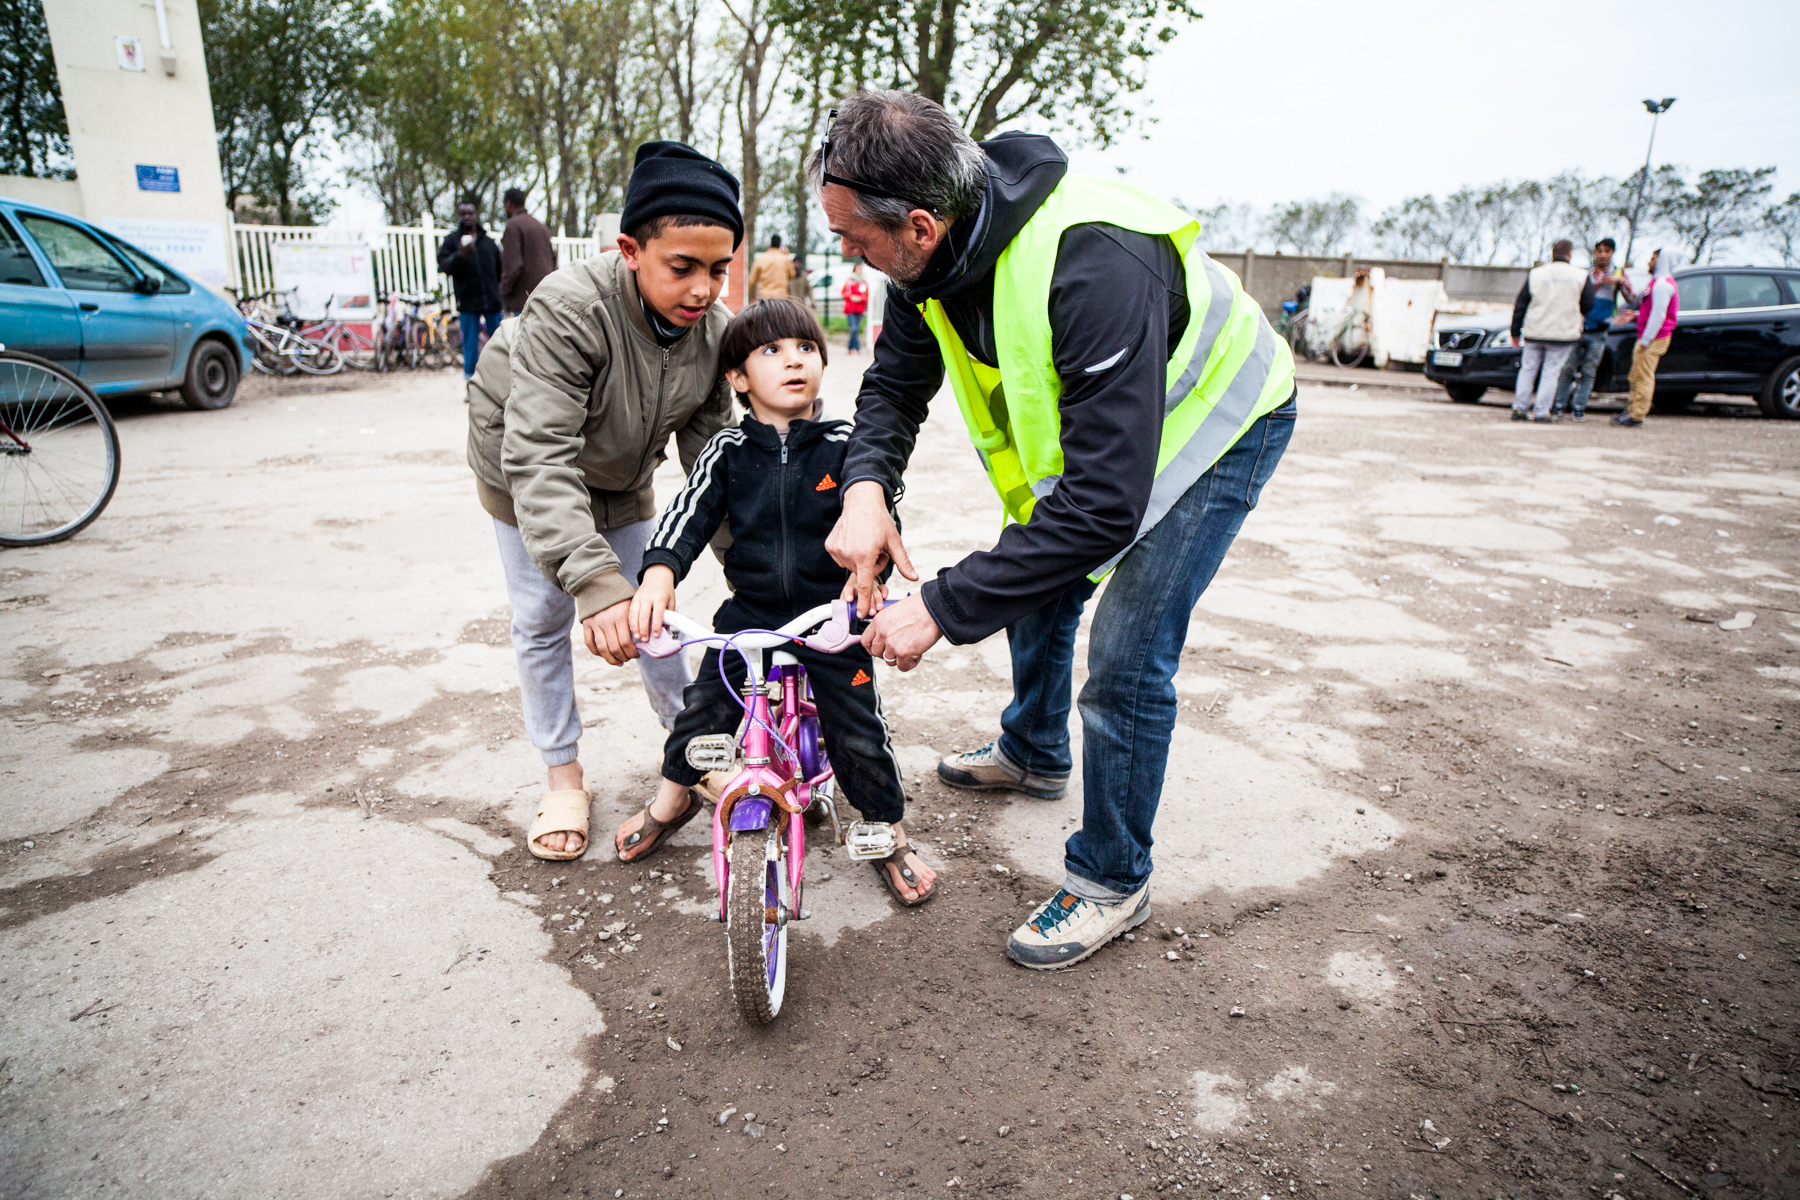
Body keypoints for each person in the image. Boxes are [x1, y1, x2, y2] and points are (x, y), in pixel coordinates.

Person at [809, 90, 1295, 967]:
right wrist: (866, 487)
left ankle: (1113, 875)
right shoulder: (927, 262)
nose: (846, 253)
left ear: (919, 226)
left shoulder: (1095, 261)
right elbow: (891, 385)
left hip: (1220, 420)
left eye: (854, 239)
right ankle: (1034, 750)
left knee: (1126, 657)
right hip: (1105, 448)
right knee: (1033, 568)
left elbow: (1106, 510)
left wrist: (944, 607)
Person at [465, 141, 743, 860]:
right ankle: (563, 777)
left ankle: (689, 753)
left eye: (718, 269)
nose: (703, 289)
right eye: (681, 267)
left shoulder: (713, 332)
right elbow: (539, 455)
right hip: (524, 467)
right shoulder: (569, 307)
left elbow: (716, 462)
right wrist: (593, 585)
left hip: (622, 475)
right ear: (630, 249)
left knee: (653, 614)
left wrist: (762, 567)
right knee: (544, 618)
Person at [614, 299, 935, 904]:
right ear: (737, 378)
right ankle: (674, 797)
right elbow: (686, 517)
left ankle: (885, 831)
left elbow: (878, 521)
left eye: (806, 348)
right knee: (703, 708)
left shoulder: (845, 446)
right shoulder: (726, 451)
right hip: (753, 613)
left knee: (857, 729)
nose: (794, 360)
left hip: (831, 614)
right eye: (771, 351)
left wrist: (874, 577)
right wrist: (658, 574)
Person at [1508, 238, 1595, 423]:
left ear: (1552, 253)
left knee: (1528, 370)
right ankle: (1541, 412)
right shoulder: (1580, 275)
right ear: (1570, 254)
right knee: (1551, 373)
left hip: (1535, 330)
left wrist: (1515, 331)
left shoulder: (1536, 274)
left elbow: (1521, 304)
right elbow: (1588, 304)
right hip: (1563, 332)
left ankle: (1519, 408)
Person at [1551, 237, 1635, 421]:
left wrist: (1619, 281)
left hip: (1599, 330)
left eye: (1607, 251)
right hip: (1578, 328)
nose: (1603, 255)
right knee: (1567, 369)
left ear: (1612, 253)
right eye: (1599, 251)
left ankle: (1579, 407)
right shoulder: (1585, 273)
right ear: (1595, 252)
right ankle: (1558, 405)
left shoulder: (1618, 273)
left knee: (1589, 371)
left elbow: (1632, 297)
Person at [438, 197, 505, 383]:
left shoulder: (489, 243)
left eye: (470, 213)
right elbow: (444, 266)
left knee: (500, 342)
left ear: (476, 215)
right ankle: (471, 383)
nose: (467, 217)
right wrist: (460, 255)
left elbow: (500, 271)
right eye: (463, 214)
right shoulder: (452, 241)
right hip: (467, 302)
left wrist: (501, 296)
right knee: (469, 345)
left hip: (492, 302)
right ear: (459, 216)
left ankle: (501, 380)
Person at [1617, 248, 1682, 427]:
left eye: (1653, 259)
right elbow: (1652, 311)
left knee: (1643, 376)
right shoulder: (1657, 282)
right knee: (1636, 374)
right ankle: (1632, 409)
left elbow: (1659, 316)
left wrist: (1646, 340)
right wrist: (1637, 315)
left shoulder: (1662, 285)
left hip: (1653, 338)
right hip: (1649, 336)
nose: (1649, 262)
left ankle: (1637, 415)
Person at [500, 187, 556, 316]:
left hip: (523, 300)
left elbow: (513, 266)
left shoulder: (513, 226)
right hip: (545, 297)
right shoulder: (540, 226)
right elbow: (553, 258)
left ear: (508, 204)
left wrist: (504, 290)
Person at [748, 233, 796, 301]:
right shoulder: (785, 259)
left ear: (770, 244)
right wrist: (787, 256)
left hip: (764, 298)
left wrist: (753, 297)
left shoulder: (760, 258)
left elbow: (751, 281)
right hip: (781, 298)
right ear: (780, 245)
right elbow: (792, 276)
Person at [840, 261, 869, 353]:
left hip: (859, 308)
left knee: (855, 328)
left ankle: (850, 348)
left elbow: (867, 296)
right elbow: (843, 292)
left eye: (860, 269)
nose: (859, 271)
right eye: (857, 269)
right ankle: (857, 348)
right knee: (854, 328)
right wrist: (851, 297)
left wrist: (860, 298)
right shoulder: (849, 281)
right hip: (850, 308)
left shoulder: (864, 282)